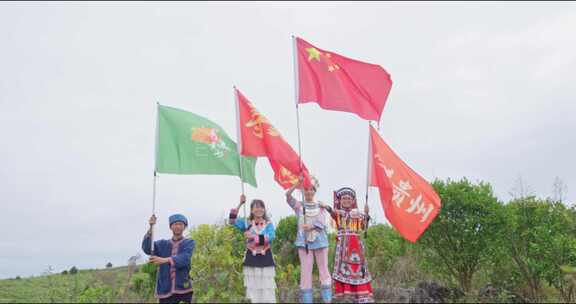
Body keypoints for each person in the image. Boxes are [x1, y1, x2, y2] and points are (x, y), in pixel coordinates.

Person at [320, 187, 374, 303]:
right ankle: (346, 295)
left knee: (359, 270)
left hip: (356, 247)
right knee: (344, 269)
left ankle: (360, 295)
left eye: (349, 198)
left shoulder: (358, 214)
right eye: (344, 198)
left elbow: (364, 227)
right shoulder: (339, 213)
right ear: (340, 200)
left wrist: (367, 213)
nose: (346, 200)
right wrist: (326, 206)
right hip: (343, 246)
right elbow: (333, 212)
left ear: (353, 200)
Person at [286, 176, 332, 303]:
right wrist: (297, 183)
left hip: (321, 242)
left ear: (315, 191)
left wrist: (310, 227)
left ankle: (327, 300)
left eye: (311, 189)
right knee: (305, 272)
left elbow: (322, 223)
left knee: (324, 270)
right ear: (303, 191)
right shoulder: (299, 206)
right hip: (304, 243)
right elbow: (288, 196)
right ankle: (307, 300)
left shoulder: (321, 205)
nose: (309, 192)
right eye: (306, 189)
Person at [229, 195, 277, 303]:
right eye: (256, 207)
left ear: (264, 209)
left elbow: (271, 237)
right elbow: (231, 221)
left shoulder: (268, 224)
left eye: (261, 207)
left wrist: (253, 237)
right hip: (251, 257)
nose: (259, 209)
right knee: (252, 287)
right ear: (251, 210)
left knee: (267, 286)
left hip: (266, 257)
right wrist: (240, 204)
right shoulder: (246, 223)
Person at [142, 214, 195, 304]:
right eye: (175, 224)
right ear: (171, 227)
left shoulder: (189, 242)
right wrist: (151, 227)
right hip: (165, 291)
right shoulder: (162, 244)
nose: (178, 226)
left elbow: (185, 259)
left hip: (184, 290)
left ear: (184, 227)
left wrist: (164, 260)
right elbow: (147, 248)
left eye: (180, 224)